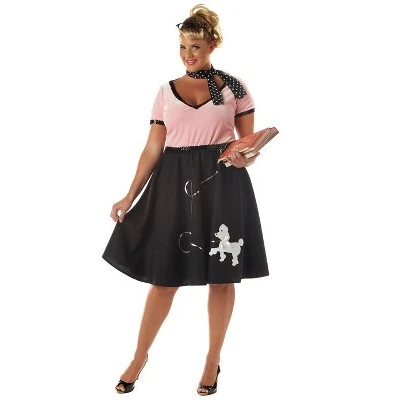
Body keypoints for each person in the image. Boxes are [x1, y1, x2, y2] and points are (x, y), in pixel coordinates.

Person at [102, 3, 269, 396]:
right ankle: (138, 357)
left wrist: (246, 156)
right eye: (182, 46)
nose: (187, 54)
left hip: (223, 184)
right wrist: (130, 193)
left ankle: (212, 361)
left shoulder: (234, 87)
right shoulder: (165, 91)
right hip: (172, 185)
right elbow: (153, 148)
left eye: (194, 46)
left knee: (222, 279)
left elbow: (248, 145)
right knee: (164, 280)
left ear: (212, 45)